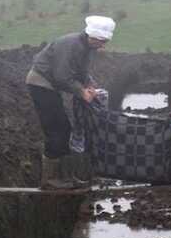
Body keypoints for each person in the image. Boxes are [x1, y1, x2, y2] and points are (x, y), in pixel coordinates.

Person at [26, 15, 116, 189]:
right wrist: (82, 92)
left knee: (64, 129)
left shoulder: (87, 47)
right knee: (56, 131)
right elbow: (62, 76)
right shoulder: (71, 45)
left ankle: (66, 177)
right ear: (93, 37)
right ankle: (50, 180)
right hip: (41, 85)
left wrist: (90, 85)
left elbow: (82, 72)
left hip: (51, 86)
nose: (103, 45)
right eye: (102, 41)